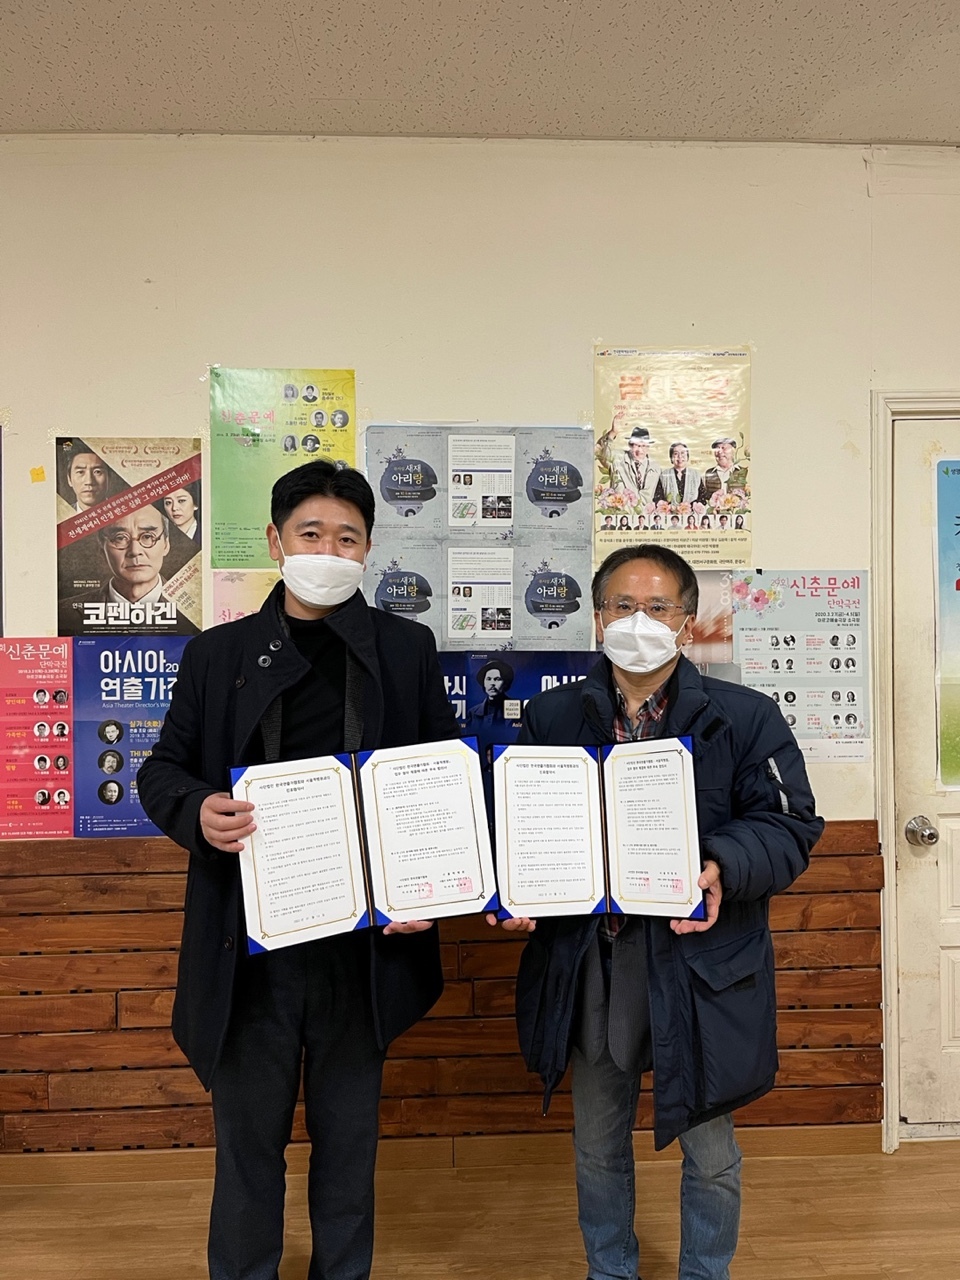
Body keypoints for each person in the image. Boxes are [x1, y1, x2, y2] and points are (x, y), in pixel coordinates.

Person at [136, 459, 458, 1280]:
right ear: (276, 542)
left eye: (347, 538)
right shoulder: (219, 653)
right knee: (248, 1148)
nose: (329, 550)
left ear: (369, 550)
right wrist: (198, 810)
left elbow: (442, 778)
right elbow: (162, 770)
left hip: (364, 947)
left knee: (349, 1148)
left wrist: (426, 883)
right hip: (249, 951)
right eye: (311, 533)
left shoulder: (406, 649)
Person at [488, 544, 822, 1280]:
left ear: (687, 622)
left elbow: (790, 826)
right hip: (591, 964)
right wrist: (514, 893)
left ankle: (706, 1271)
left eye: (658, 606)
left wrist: (721, 864)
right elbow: (521, 824)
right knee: (596, 1145)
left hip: (701, 968)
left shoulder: (745, 717)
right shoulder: (551, 715)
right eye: (622, 606)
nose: (638, 620)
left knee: (711, 1153)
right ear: (597, 618)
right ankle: (610, 1269)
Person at [58, 505, 200, 636]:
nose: (135, 551)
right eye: (120, 538)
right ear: (102, 550)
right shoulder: (64, 613)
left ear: (166, 545)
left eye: (148, 537)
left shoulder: (196, 612)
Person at [598, 426, 661, 509]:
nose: (640, 450)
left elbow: (647, 499)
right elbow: (600, 450)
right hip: (619, 513)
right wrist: (613, 433)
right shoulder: (619, 457)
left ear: (648, 447)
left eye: (643, 446)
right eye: (637, 445)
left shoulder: (655, 467)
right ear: (630, 445)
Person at [699, 438, 749, 504]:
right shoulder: (707, 474)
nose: (719, 452)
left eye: (723, 448)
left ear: (733, 451)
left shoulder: (744, 472)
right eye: (717, 449)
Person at [63, 447, 109, 512]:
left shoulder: (124, 515)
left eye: (97, 472)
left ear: (109, 477)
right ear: (69, 479)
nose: (89, 481)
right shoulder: (61, 515)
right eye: (80, 472)